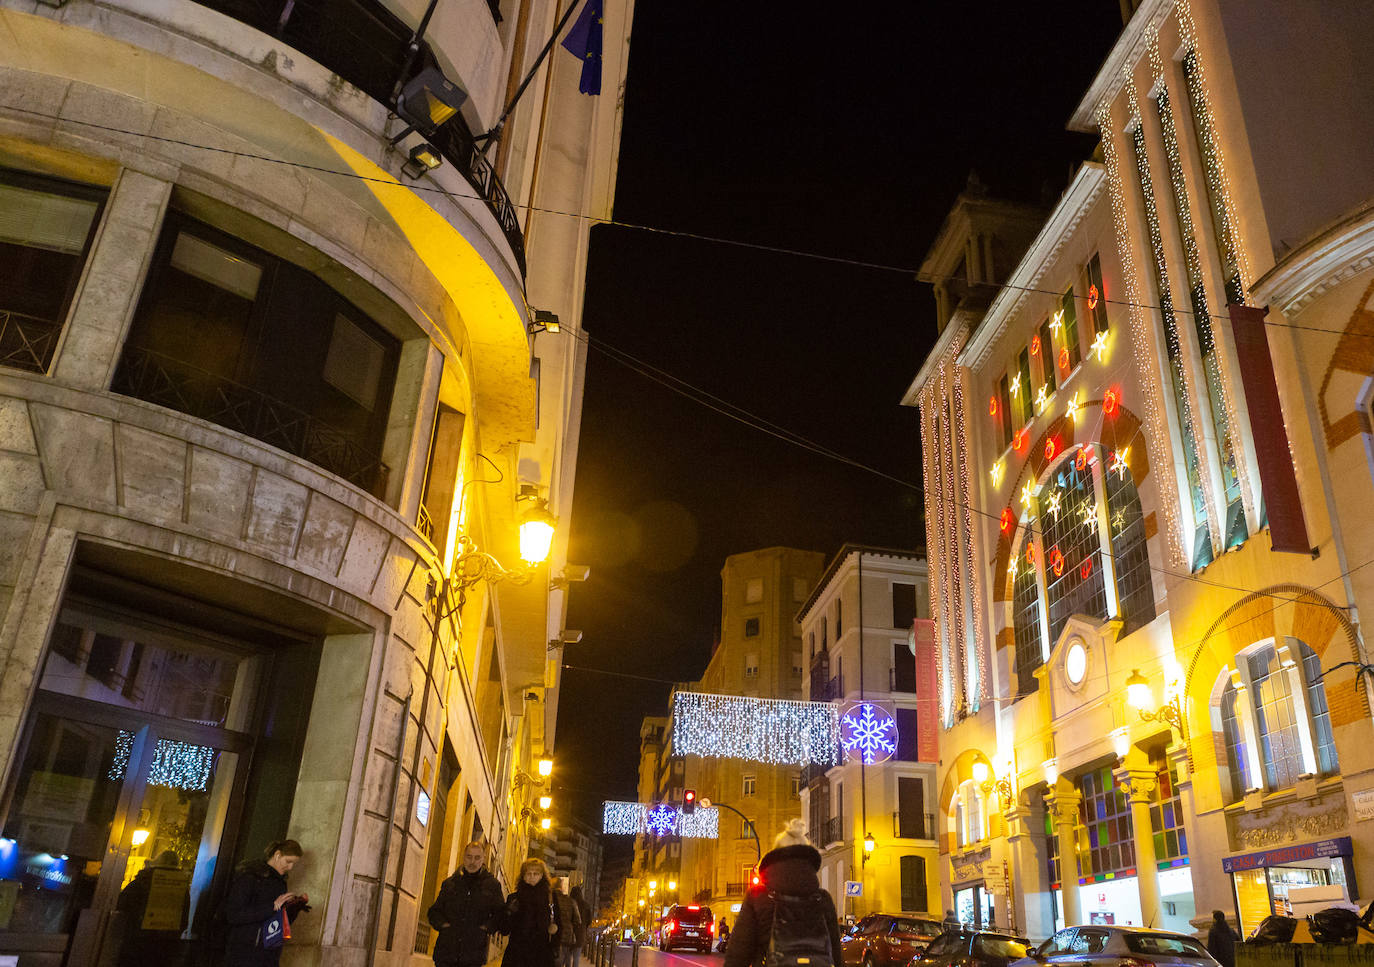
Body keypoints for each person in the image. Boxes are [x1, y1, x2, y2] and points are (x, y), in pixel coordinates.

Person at [725, 819, 843, 967]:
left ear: (776, 855)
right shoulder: (823, 899)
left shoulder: (758, 897)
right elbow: (835, 955)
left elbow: (738, 954)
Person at [221, 839, 310, 967]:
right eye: (288, 861)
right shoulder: (251, 876)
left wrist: (295, 907)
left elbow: (278, 922)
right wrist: (272, 906)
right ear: (277, 855)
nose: (290, 867)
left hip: (269, 953)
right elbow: (234, 915)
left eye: (293, 863)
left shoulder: (280, 882)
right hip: (245, 953)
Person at [428, 841, 505, 967]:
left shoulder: (492, 885)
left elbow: (499, 914)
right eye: (469, 857)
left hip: (473, 955)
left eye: (477, 857)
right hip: (446, 953)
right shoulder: (450, 883)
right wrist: (444, 926)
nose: (472, 862)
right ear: (464, 857)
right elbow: (435, 911)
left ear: (483, 858)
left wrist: (485, 928)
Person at [501, 858, 562, 967]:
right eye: (528, 873)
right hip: (517, 955)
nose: (532, 877)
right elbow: (504, 929)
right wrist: (509, 912)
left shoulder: (550, 899)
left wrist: (554, 949)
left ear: (542, 876)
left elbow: (559, 925)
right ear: (523, 876)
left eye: (536, 874)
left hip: (542, 955)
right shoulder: (515, 898)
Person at [554, 877, 584, 967]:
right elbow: (578, 921)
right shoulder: (570, 901)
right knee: (563, 959)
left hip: (549, 935)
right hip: (565, 936)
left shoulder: (546, 899)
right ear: (561, 887)